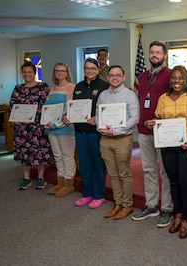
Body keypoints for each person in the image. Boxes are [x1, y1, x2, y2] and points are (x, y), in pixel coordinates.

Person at [146, 65, 187, 238]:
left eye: (181, 78)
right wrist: (152, 122)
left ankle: (186, 219)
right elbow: (160, 119)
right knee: (173, 181)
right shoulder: (163, 98)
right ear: (170, 80)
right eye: (174, 78)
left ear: (186, 80)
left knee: (186, 183)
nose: (177, 81)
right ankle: (177, 214)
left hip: (185, 147)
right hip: (167, 146)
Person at [131, 41, 174, 228]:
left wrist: (160, 121)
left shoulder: (171, 76)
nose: (154, 55)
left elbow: (174, 104)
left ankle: (167, 208)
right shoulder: (142, 76)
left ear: (164, 55)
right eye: (152, 52)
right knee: (148, 169)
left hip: (162, 131)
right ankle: (151, 205)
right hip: (143, 130)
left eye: (158, 52)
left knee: (165, 171)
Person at [64, 58, 108, 209]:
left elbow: (107, 109)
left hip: (95, 133)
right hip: (79, 132)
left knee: (97, 165)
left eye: (92, 68)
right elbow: (74, 108)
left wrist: (98, 118)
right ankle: (87, 193)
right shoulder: (79, 87)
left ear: (98, 69)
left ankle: (99, 195)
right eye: (87, 68)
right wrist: (68, 117)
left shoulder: (104, 86)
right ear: (83, 69)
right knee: (84, 165)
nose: (89, 71)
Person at [98, 65, 139, 220]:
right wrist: (101, 128)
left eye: (118, 75)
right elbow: (98, 114)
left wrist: (115, 131)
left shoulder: (130, 95)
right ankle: (118, 203)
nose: (115, 78)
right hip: (105, 140)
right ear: (108, 77)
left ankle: (127, 205)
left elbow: (134, 118)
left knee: (124, 173)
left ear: (124, 77)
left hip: (122, 139)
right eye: (112, 75)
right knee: (113, 174)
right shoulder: (103, 95)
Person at [10, 61, 54, 190]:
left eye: (29, 72)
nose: (27, 74)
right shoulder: (18, 88)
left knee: (40, 152)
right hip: (22, 128)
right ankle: (26, 178)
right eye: (24, 72)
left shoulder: (43, 87)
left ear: (35, 73)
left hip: (38, 128)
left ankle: (40, 178)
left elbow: (48, 106)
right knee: (25, 153)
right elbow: (12, 106)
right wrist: (15, 119)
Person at [44, 62, 76, 197]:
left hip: (65, 128)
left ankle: (68, 184)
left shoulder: (71, 88)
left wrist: (56, 124)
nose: (60, 73)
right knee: (57, 156)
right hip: (51, 129)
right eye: (57, 71)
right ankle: (60, 182)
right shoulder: (52, 89)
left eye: (62, 71)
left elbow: (68, 110)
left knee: (67, 156)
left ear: (67, 73)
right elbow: (46, 108)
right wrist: (45, 121)